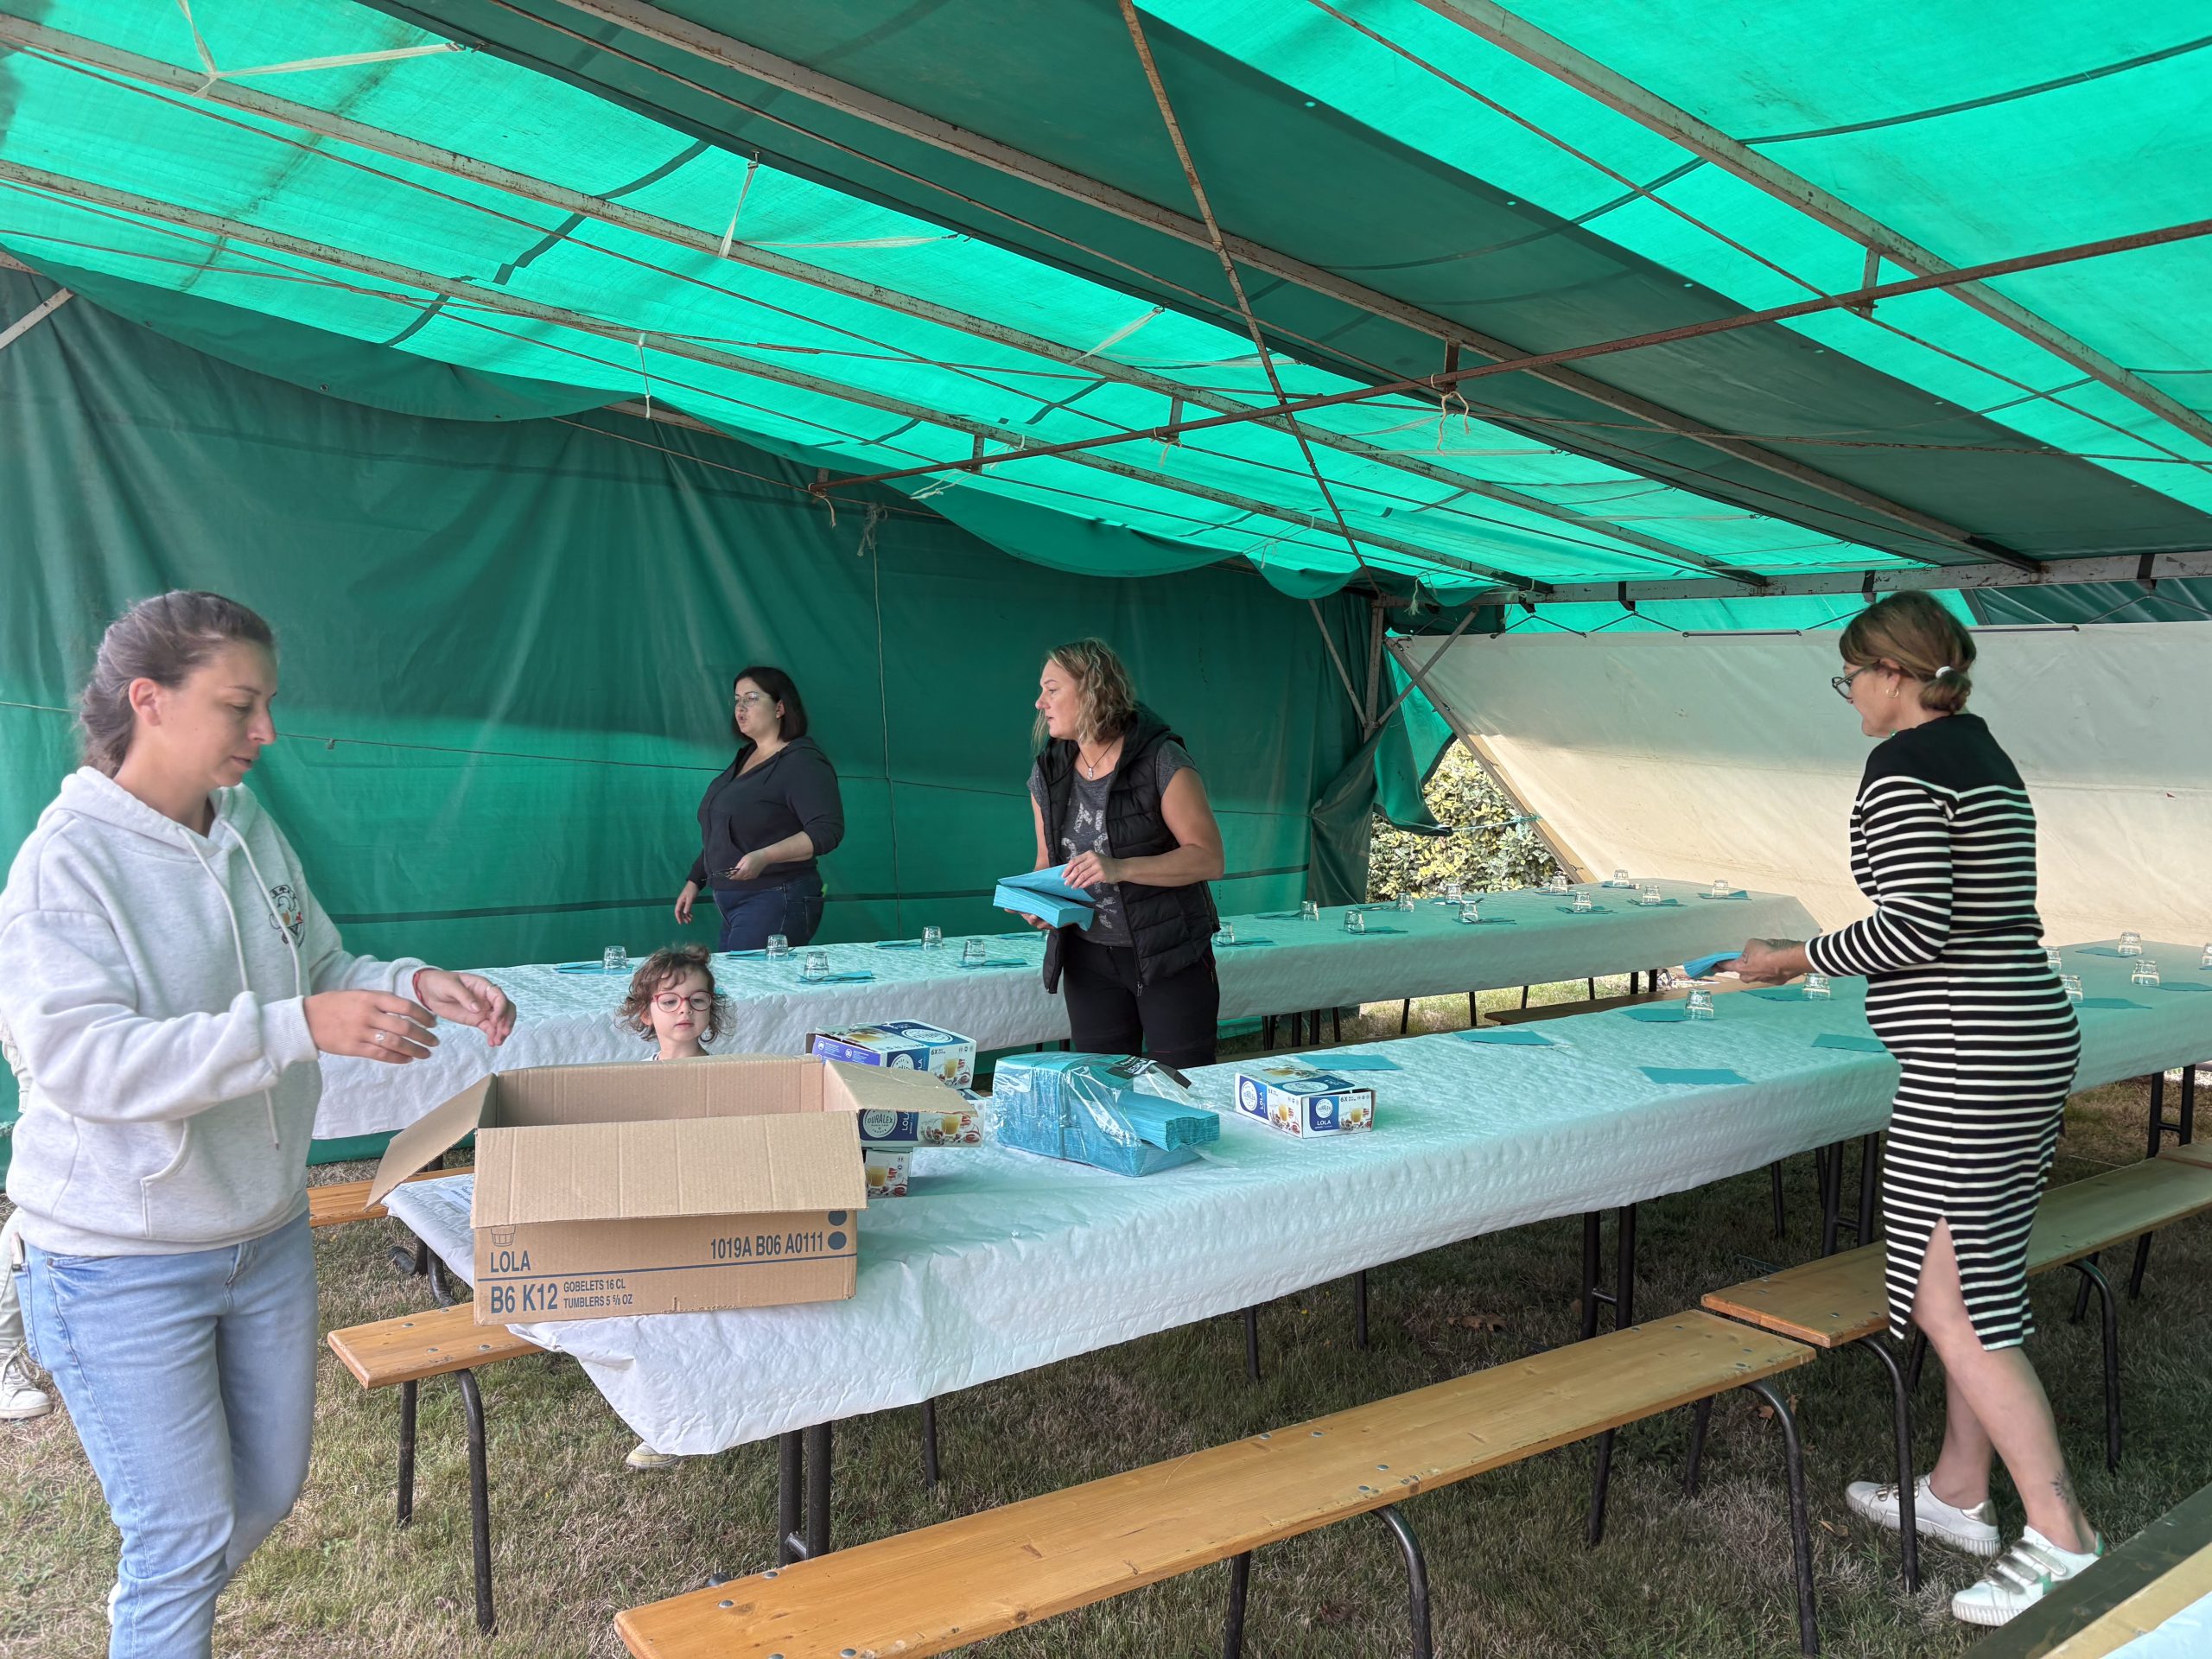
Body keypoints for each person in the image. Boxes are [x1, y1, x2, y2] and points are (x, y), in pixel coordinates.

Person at [0, 591, 516, 1659]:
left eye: (269, 703)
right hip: (119, 1259)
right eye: (241, 705)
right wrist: (294, 1027)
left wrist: (411, 981)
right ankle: (158, 1614)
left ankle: (154, 1614)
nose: (268, 730)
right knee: (181, 1537)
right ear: (149, 700)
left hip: (264, 1233)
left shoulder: (244, 826)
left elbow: (316, 963)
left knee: (269, 1490)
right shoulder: (67, 864)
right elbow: (80, 1061)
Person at [1731, 591, 2096, 1628]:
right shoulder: (1983, 755)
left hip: (1968, 1057)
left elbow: (1911, 930)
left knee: (1953, 1303)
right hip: (2024, 1035)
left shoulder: (1900, 767)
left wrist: (1785, 959)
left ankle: (2064, 1539)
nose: (1848, 694)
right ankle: (1956, 1492)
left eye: (1850, 675)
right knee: (1977, 1279)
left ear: (1891, 673)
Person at [1025, 639, 1225, 1071]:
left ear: (1092, 690)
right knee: (1101, 1088)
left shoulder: (1161, 758)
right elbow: (1047, 860)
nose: (1041, 702)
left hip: (1168, 952)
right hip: (1087, 958)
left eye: (1052, 689)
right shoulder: (1048, 770)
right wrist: (1041, 901)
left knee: (1181, 1082)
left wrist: (1120, 868)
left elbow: (1208, 858)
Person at [611, 943, 733, 1471]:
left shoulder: (726, 1083)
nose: (685, 1010)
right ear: (646, 1012)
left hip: (707, 1222)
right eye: (670, 1001)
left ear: (710, 1012)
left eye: (697, 1000)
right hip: (652, 1221)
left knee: (696, 1325)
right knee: (650, 1324)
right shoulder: (634, 1083)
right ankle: (663, 1418)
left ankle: (684, 1418)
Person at [675, 666, 844, 953]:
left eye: (752, 698)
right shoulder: (745, 757)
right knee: (735, 980)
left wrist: (764, 856)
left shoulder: (802, 761)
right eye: (737, 700)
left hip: (776, 895)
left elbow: (827, 830)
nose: (741, 708)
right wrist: (695, 880)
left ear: (780, 707)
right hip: (731, 900)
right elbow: (725, 833)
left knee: (751, 981)